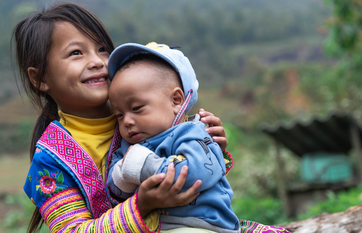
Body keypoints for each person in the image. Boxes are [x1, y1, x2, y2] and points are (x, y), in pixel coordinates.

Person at [13, 2, 230, 232]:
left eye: (102, 49)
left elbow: (192, 170)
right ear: (39, 79)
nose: (97, 61)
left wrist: (211, 145)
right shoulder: (50, 161)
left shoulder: (141, 116)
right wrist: (141, 206)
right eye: (76, 53)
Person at [106, 42, 239, 232]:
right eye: (119, 115)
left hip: (203, 224)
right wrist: (122, 174)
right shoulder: (128, 145)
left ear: (176, 100)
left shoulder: (193, 132)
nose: (126, 121)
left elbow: (196, 172)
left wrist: (142, 165)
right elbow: (115, 190)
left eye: (136, 108)